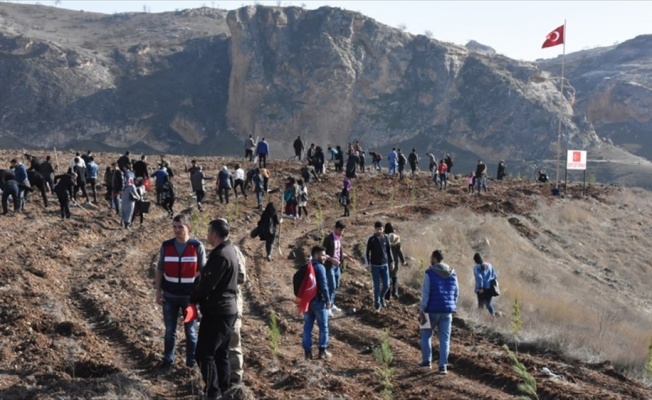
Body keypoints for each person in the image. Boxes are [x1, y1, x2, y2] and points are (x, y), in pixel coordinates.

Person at [191, 219, 239, 399]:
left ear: (214, 234)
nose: (207, 235)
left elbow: (208, 285)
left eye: (208, 232)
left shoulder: (220, 256)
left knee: (204, 354)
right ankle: (223, 389)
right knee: (220, 353)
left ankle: (213, 392)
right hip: (227, 310)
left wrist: (191, 298)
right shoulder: (229, 250)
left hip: (218, 312)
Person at [155, 214, 207, 372]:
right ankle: (168, 362)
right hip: (169, 297)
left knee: (191, 332)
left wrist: (201, 295)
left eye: (180, 227)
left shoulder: (196, 247)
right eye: (175, 227)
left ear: (188, 227)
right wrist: (158, 291)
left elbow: (203, 272)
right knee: (169, 331)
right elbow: (160, 269)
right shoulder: (166, 246)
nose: (177, 230)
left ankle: (191, 363)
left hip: (190, 299)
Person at [419, 249, 458, 374]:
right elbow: (456, 292)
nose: (430, 259)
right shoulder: (453, 273)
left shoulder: (429, 273)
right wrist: (452, 305)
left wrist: (422, 309)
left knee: (425, 335)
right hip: (447, 312)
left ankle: (426, 361)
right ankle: (443, 367)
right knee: (445, 340)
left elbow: (425, 293)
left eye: (431, 257)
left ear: (435, 259)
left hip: (429, 311)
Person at [301, 245, 332, 361]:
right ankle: (322, 351)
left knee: (307, 327)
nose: (325, 257)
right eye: (323, 255)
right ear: (316, 255)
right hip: (319, 301)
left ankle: (307, 354)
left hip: (307, 301)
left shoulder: (306, 266)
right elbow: (323, 285)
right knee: (323, 327)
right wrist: (327, 300)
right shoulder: (320, 267)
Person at [322, 220, 357, 315]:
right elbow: (323, 254)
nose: (341, 232)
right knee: (332, 286)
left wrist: (348, 258)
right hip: (330, 266)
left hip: (338, 266)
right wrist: (332, 260)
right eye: (339, 230)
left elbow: (339, 252)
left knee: (336, 285)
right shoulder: (328, 239)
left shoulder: (339, 239)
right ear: (335, 228)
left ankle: (332, 303)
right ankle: (327, 307)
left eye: (342, 230)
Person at [229, 241, 247, 386]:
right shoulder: (217, 251)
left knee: (233, 338)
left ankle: (235, 376)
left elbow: (241, 277)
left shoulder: (233, 251)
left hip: (233, 301)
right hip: (222, 302)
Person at [365, 221, 394, 312]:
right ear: (375, 229)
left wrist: (392, 262)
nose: (379, 231)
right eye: (377, 229)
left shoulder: (386, 238)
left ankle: (381, 297)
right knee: (377, 286)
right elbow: (367, 252)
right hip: (375, 266)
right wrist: (368, 264)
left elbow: (389, 251)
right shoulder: (371, 240)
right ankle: (377, 305)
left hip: (385, 265)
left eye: (380, 229)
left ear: (383, 229)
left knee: (387, 285)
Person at [383, 223, 406, 301]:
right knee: (395, 277)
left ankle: (387, 296)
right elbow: (400, 252)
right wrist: (403, 261)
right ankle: (395, 292)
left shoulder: (383, 238)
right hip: (395, 261)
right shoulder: (396, 238)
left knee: (387, 278)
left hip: (386, 261)